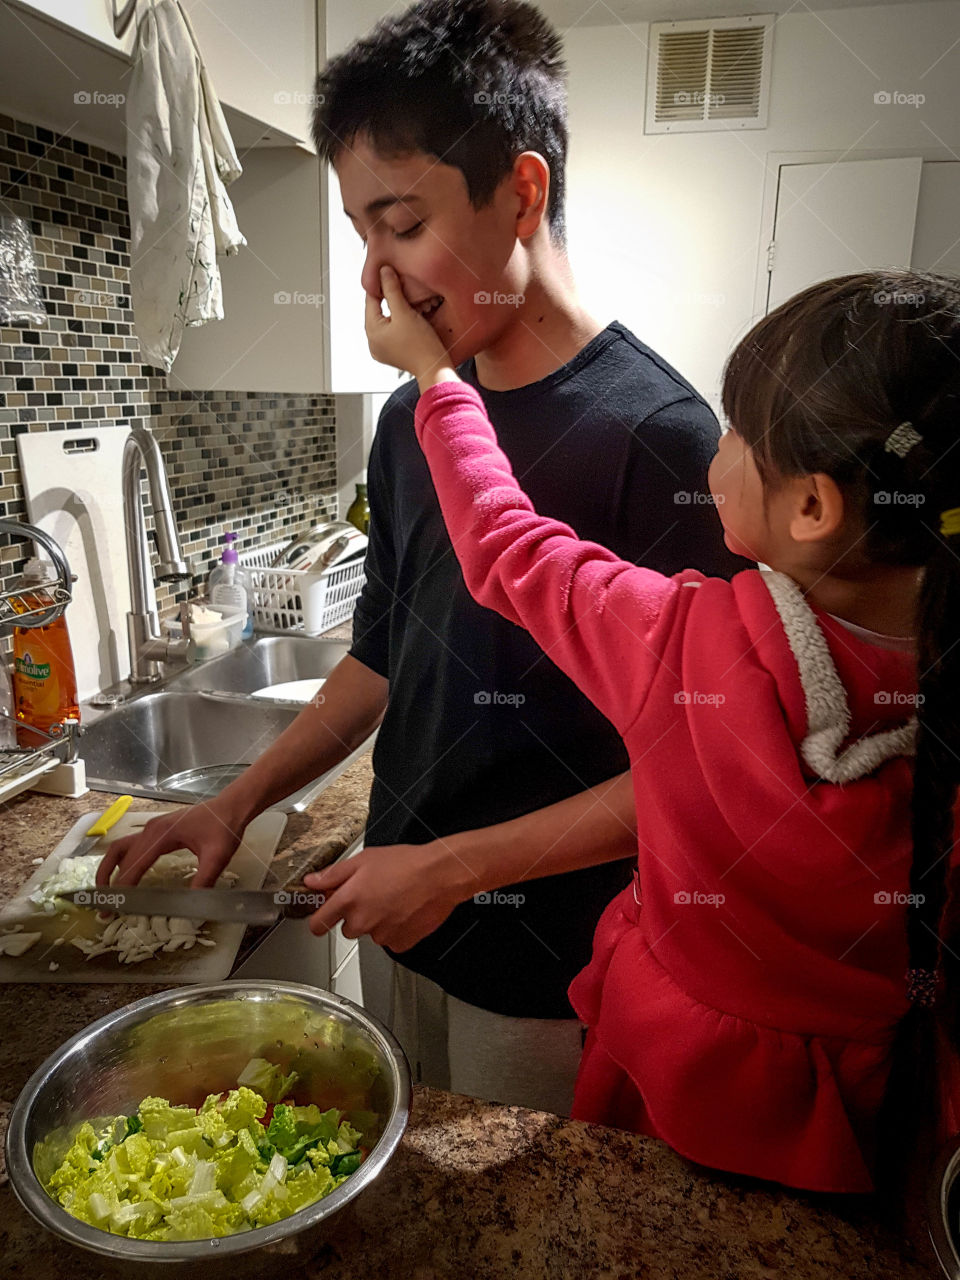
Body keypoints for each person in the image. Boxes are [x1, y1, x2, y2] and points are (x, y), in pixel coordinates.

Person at [97, 0, 748, 1114]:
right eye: (361, 232)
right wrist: (237, 803)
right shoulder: (414, 422)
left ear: (523, 192)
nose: (377, 278)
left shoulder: (664, 441)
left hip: (551, 968)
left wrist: (456, 870)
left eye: (401, 223)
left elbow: (703, 773)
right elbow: (387, 651)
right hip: (398, 921)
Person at [310, 260, 960, 1198]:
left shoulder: (693, 644)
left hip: (686, 1088)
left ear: (812, 507)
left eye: (740, 434)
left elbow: (506, 545)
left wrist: (436, 384)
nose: (715, 446)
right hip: (869, 1109)